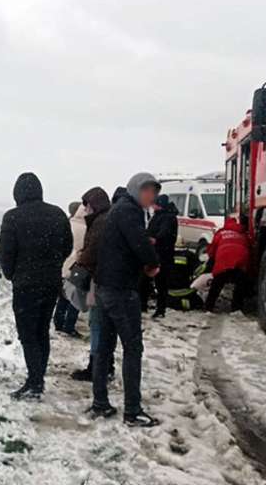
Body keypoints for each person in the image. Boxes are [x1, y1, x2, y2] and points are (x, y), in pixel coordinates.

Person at [91, 173, 161, 427]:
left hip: (105, 286)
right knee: (132, 349)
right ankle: (132, 411)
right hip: (120, 290)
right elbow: (139, 243)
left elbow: (123, 244)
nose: (151, 196)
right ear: (136, 190)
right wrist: (152, 263)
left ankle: (100, 402)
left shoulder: (118, 210)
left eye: (155, 192)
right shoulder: (130, 211)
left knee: (104, 348)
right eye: (147, 191)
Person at [0, 173, 72, 400]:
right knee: (41, 331)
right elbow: (67, 247)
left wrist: (12, 274)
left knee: (28, 334)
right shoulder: (57, 213)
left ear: (17, 193)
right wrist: (53, 265)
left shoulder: (13, 217)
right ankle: (37, 378)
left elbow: (6, 253)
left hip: (25, 285)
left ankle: (35, 382)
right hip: (50, 283)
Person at [69, 187, 112, 382]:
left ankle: (97, 368)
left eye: (87, 206)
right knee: (103, 326)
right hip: (108, 280)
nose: (85, 210)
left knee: (97, 324)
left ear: (94, 205)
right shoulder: (107, 219)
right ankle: (104, 366)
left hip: (101, 281)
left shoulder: (100, 223)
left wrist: (80, 259)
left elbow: (92, 252)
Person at [204, 217, 251, 313]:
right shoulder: (243, 234)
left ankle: (208, 307)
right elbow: (249, 248)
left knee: (217, 284)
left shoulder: (221, 233)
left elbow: (212, 251)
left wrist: (209, 266)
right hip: (241, 260)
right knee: (240, 285)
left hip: (223, 261)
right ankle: (236, 308)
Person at [55, 202, 87, 337]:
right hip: (77, 266)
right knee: (75, 299)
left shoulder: (66, 224)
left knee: (63, 296)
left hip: (63, 265)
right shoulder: (87, 228)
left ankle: (58, 322)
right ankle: (69, 326)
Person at [147, 195, 179, 318]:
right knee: (154, 281)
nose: (153, 207)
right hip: (157, 253)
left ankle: (161, 309)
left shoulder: (168, 217)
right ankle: (151, 306)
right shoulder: (158, 215)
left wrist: (153, 239)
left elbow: (164, 234)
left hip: (163, 254)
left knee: (161, 283)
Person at [164, 237, 205, 311]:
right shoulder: (189, 255)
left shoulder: (166, 254)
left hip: (169, 293)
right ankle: (184, 304)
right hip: (186, 291)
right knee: (198, 303)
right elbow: (199, 271)